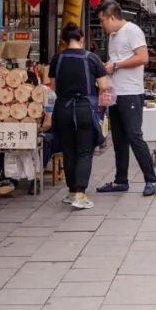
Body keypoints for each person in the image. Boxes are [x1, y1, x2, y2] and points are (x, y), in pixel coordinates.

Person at [95, 0, 156, 196]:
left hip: (131, 93)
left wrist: (116, 65)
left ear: (112, 17)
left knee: (134, 136)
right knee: (119, 139)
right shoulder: (113, 36)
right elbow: (117, 60)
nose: (102, 25)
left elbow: (143, 57)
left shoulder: (132, 30)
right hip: (116, 93)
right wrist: (109, 67)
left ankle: (151, 180)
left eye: (102, 20)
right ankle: (120, 180)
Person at [48, 24, 109, 209]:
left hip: (63, 109)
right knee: (84, 152)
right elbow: (104, 86)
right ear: (81, 38)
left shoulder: (57, 58)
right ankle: (80, 195)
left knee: (68, 152)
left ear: (63, 41)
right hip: (85, 109)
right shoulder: (92, 58)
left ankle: (71, 191)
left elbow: (53, 86)